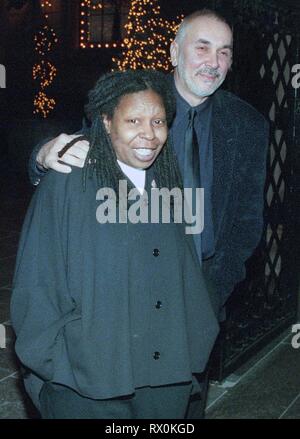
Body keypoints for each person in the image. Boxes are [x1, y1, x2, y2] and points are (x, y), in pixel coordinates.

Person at [27, 9, 269, 415]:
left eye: (224, 51)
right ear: (174, 52)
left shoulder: (247, 124)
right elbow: (76, 152)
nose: (213, 61)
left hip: (197, 304)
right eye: (202, 47)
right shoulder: (134, 104)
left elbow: (246, 221)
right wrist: (41, 155)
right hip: (120, 302)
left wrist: (213, 295)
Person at [11, 69, 219, 419]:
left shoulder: (169, 186)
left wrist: (197, 344)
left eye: (158, 121)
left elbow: (188, 279)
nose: (148, 135)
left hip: (165, 381)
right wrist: (52, 370)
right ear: (106, 122)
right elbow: (36, 283)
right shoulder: (67, 182)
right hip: (87, 384)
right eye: (133, 120)